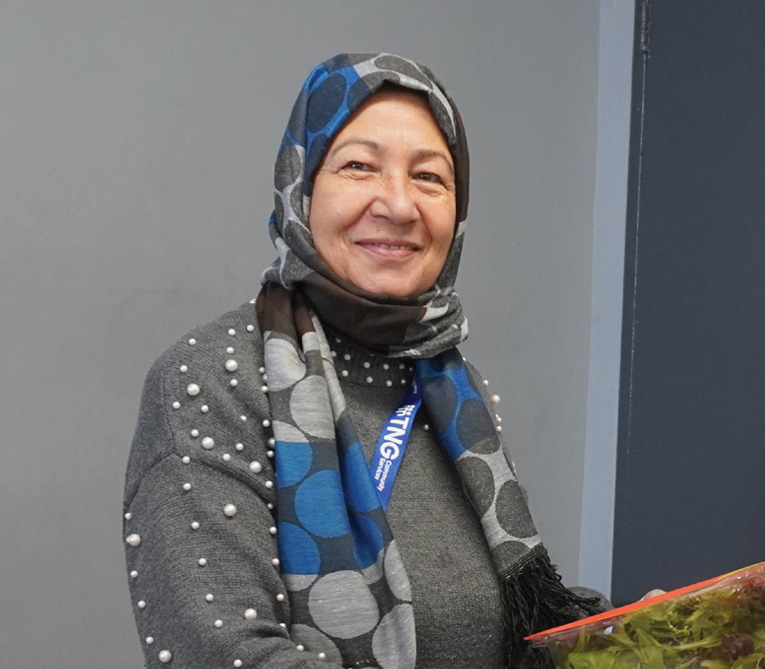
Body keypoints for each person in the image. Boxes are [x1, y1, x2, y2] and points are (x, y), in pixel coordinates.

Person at [121, 53, 607, 668]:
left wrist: (641, 643)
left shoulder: (455, 389)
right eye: (358, 166)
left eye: (430, 177)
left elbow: (501, 635)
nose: (399, 205)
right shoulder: (212, 379)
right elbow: (224, 655)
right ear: (301, 187)